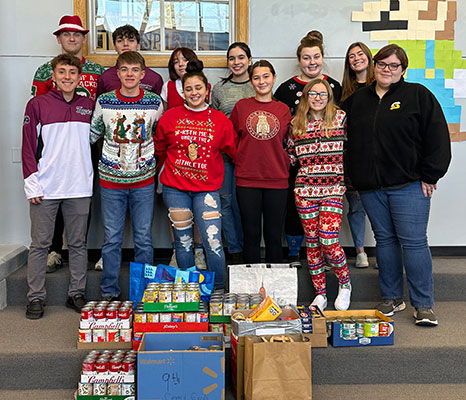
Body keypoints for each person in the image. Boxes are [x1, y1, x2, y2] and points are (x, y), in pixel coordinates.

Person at [344, 44, 451, 326]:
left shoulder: (418, 95)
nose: (387, 70)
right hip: (370, 187)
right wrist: (352, 175)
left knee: (414, 243)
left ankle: (423, 305)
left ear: (403, 70)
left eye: (394, 66)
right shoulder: (358, 100)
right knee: (385, 242)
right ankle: (391, 297)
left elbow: (438, 136)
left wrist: (431, 174)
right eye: (382, 64)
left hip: (409, 185)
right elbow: (342, 137)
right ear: (373, 65)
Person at [22, 54, 95, 319]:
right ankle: (35, 297)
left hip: (79, 186)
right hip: (46, 187)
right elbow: (28, 147)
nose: (67, 77)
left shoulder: (89, 105)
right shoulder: (37, 104)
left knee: (78, 244)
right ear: (53, 76)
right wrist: (32, 185)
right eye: (62, 72)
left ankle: (76, 292)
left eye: (72, 72)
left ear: (79, 77)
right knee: (40, 245)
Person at [31, 15, 104, 273]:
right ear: (59, 38)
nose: (72, 39)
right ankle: (53, 249)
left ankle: (77, 249)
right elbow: (37, 109)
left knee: (82, 194)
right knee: (52, 194)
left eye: (77, 35)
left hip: (86, 141)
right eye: (66, 34)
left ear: (84, 39)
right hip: (53, 141)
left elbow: (103, 106)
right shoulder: (44, 71)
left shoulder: (97, 71)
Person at [155, 59, 237, 290]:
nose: (193, 93)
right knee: (183, 243)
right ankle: (189, 292)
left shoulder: (220, 121)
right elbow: (159, 150)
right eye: (188, 88)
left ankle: (217, 291)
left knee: (212, 242)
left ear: (207, 89)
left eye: (198, 88)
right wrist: (156, 181)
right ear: (182, 92)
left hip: (207, 189)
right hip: (175, 188)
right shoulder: (170, 117)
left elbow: (234, 151)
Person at [90, 51, 163, 301]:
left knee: (144, 238)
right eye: (124, 69)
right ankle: (109, 292)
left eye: (135, 70)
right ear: (117, 73)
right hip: (111, 181)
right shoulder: (105, 101)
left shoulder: (154, 102)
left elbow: (160, 136)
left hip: (144, 180)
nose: (129, 74)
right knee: (111, 238)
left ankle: (144, 293)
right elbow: (92, 135)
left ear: (143, 74)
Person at [275, 31, 342, 266]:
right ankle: (294, 251)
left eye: (316, 57)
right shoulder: (286, 89)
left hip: (328, 169)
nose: (311, 62)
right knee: (295, 208)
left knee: (326, 221)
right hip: (298, 161)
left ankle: (326, 252)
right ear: (299, 60)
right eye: (306, 57)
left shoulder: (334, 86)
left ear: (322, 58)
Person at [287, 79, 351, 311]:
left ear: (329, 97)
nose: (317, 97)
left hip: (333, 189)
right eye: (312, 93)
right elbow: (290, 157)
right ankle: (320, 294)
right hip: (305, 191)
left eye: (322, 94)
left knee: (328, 240)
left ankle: (345, 284)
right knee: (312, 244)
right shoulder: (295, 124)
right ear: (305, 96)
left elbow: (353, 149)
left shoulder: (341, 119)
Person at [230, 60, 291, 264]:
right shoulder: (242, 107)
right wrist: (240, 158)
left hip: (277, 179)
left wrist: (284, 160)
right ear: (251, 81)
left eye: (266, 76)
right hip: (247, 180)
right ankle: (252, 290)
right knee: (251, 235)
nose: (261, 81)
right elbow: (231, 140)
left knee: (274, 236)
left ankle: (274, 290)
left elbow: (290, 142)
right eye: (256, 77)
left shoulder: (283, 109)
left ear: (274, 78)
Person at [160, 47, 209, 268]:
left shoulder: (204, 86)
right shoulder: (168, 87)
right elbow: (161, 121)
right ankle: (177, 250)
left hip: (199, 159)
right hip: (174, 158)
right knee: (176, 210)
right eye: (176, 61)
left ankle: (198, 251)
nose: (181, 64)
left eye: (185, 59)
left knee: (199, 208)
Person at [211, 42, 255, 264]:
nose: (236, 62)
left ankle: (251, 250)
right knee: (226, 203)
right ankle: (235, 250)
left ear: (249, 60)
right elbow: (213, 122)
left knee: (248, 205)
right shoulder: (219, 89)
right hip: (226, 156)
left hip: (252, 158)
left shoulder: (257, 84)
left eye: (241, 57)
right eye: (232, 58)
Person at [341, 42, 376, 268]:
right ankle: (360, 251)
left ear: (369, 57)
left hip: (377, 157)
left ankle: (384, 251)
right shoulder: (344, 90)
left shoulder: (382, 85)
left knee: (380, 205)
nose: (356, 59)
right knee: (355, 206)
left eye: (360, 54)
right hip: (352, 156)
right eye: (351, 56)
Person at [97, 24, 163, 97]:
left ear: (138, 46)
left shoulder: (155, 78)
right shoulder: (105, 77)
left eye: (131, 40)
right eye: (120, 40)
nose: (125, 44)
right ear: (115, 47)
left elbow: (159, 106)